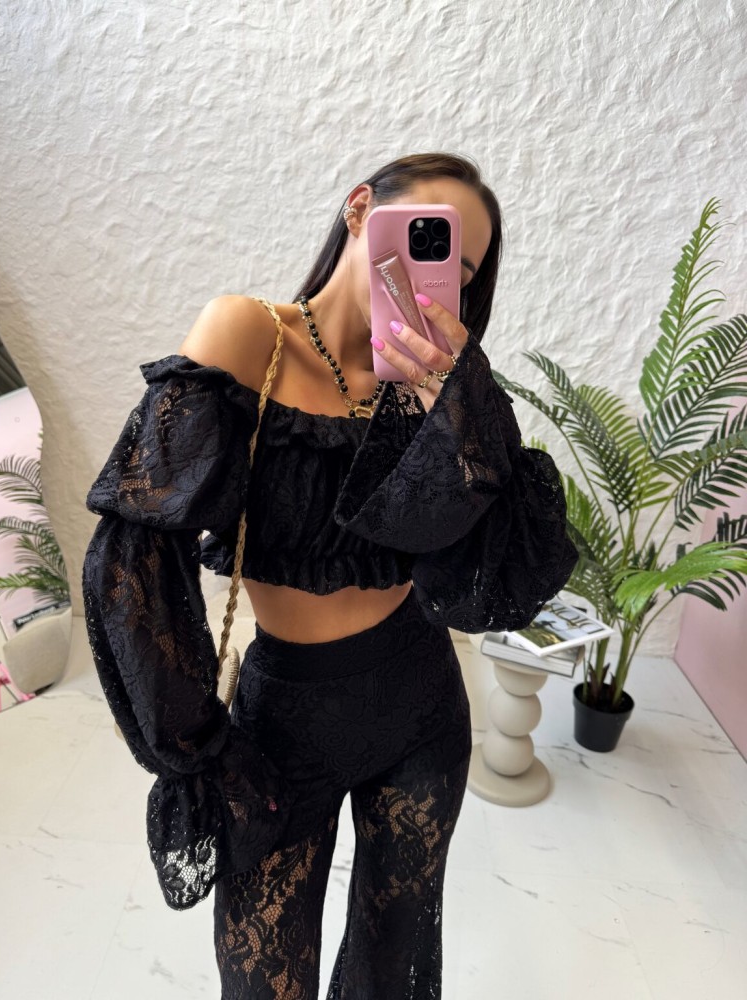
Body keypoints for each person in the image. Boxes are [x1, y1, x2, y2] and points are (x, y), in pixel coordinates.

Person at [81, 151, 579, 999]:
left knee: (395, 962)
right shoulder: (248, 335)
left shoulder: (435, 385)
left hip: (420, 702)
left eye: (458, 271)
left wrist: (461, 405)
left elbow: (497, 571)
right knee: (262, 981)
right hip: (281, 726)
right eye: (424, 235)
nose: (433, 274)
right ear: (359, 209)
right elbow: (136, 553)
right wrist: (195, 743)